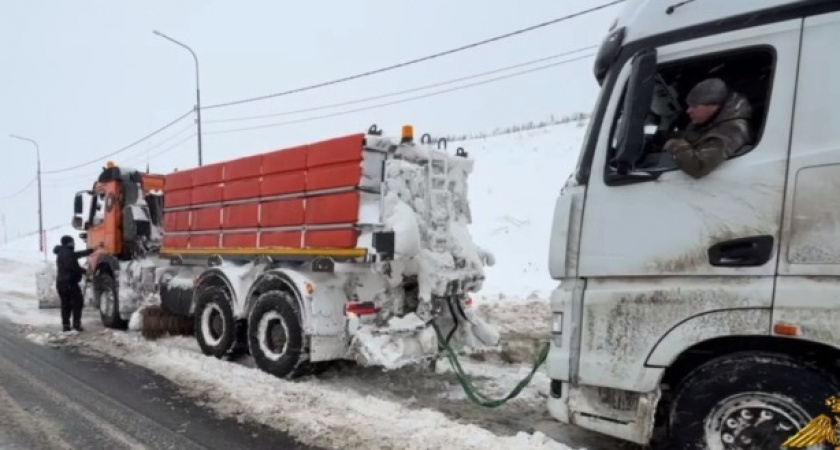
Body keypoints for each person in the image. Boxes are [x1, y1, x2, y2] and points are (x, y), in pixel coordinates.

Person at [662, 77, 754, 179]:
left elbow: (698, 167)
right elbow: (701, 137)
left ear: (713, 106)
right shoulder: (717, 121)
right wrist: (669, 135)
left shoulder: (732, 130)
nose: (689, 111)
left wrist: (675, 145)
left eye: (695, 106)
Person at [53, 235, 96, 332]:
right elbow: (71, 266)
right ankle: (76, 325)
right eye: (73, 242)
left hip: (62, 282)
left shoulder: (64, 252)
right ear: (69, 242)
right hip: (68, 283)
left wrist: (88, 252)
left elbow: (75, 255)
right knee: (77, 303)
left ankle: (66, 325)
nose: (74, 243)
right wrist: (85, 272)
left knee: (66, 304)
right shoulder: (67, 253)